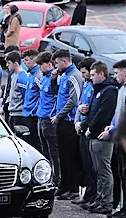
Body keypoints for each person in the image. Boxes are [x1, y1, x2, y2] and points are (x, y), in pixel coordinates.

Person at [100, 59, 126, 218]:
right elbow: (118, 114)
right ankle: (124, 206)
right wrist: (111, 126)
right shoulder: (121, 88)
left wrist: (115, 129)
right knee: (122, 173)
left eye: (116, 73)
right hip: (118, 135)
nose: (114, 77)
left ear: (125, 73)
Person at [80, 61, 118, 214]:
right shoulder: (99, 89)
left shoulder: (109, 91)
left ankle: (106, 202)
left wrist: (91, 128)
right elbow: (93, 111)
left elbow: (103, 113)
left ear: (102, 74)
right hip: (94, 135)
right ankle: (99, 199)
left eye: (94, 74)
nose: (91, 77)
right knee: (97, 170)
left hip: (101, 136)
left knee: (104, 170)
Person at [51, 49, 84, 200]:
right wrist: (53, 79)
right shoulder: (63, 76)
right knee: (63, 156)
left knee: (70, 156)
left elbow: (74, 101)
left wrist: (59, 116)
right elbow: (57, 94)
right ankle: (64, 186)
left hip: (69, 122)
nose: (55, 67)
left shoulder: (74, 76)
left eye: (57, 63)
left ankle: (72, 188)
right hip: (62, 121)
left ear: (65, 61)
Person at [72, 57, 97, 205]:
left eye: (84, 72)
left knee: (91, 165)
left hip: (88, 127)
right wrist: (76, 121)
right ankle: (87, 194)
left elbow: (91, 108)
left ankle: (92, 195)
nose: (83, 76)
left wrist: (83, 121)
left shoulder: (94, 87)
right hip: (81, 126)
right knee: (84, 164)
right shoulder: (87, 85)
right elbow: (80, 104)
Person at [35, 51, 60, 187]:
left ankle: (56, 179)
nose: (39, 68)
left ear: (49, 65)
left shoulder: (54, 78)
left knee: (53, 152)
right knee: (44, 151)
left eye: (41, 65)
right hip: (41, 117)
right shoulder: (44, 78)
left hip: (49, 119)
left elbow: (56, 98)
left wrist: (53, 115)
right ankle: (47, 178)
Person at [22, 49, 42, 151]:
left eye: (26, 60)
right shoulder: (30, 75)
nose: (24, 63)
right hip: (27, 112)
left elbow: (42, 94)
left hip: (33, 114)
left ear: (34, 60)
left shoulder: (38, 76)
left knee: (36, 143)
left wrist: (34, 110)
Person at [5, 51, 28, 129]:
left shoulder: (22, 77)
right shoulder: (13, 75)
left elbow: (25, 97)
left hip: (19, 115)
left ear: (15, 64)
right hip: (12, 113)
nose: (7, 65)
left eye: (9, 63)